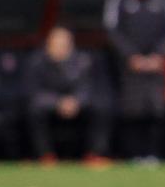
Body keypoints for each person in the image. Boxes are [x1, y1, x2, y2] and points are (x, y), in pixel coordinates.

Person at [103, 0, 165, 160]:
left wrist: (158, 56)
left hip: (157, 65)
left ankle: (154, 154)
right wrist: (131, 57)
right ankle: (133, 155)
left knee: (156, 109)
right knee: (132, 110)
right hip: (130, 67)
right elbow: (112, 31)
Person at [24, 26, 108, 163]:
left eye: (64, 45)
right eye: (56, 45)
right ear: (48, 45)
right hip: (50, 106)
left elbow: (88, 88)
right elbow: (33, 92)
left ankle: (96, 154)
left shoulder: (83, 61)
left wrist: (76, 101)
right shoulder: (36, 62)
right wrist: (58, 102)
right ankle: (45, 156)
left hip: (77, 106)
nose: (60, 48)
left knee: (101, 106)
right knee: (34, 110)